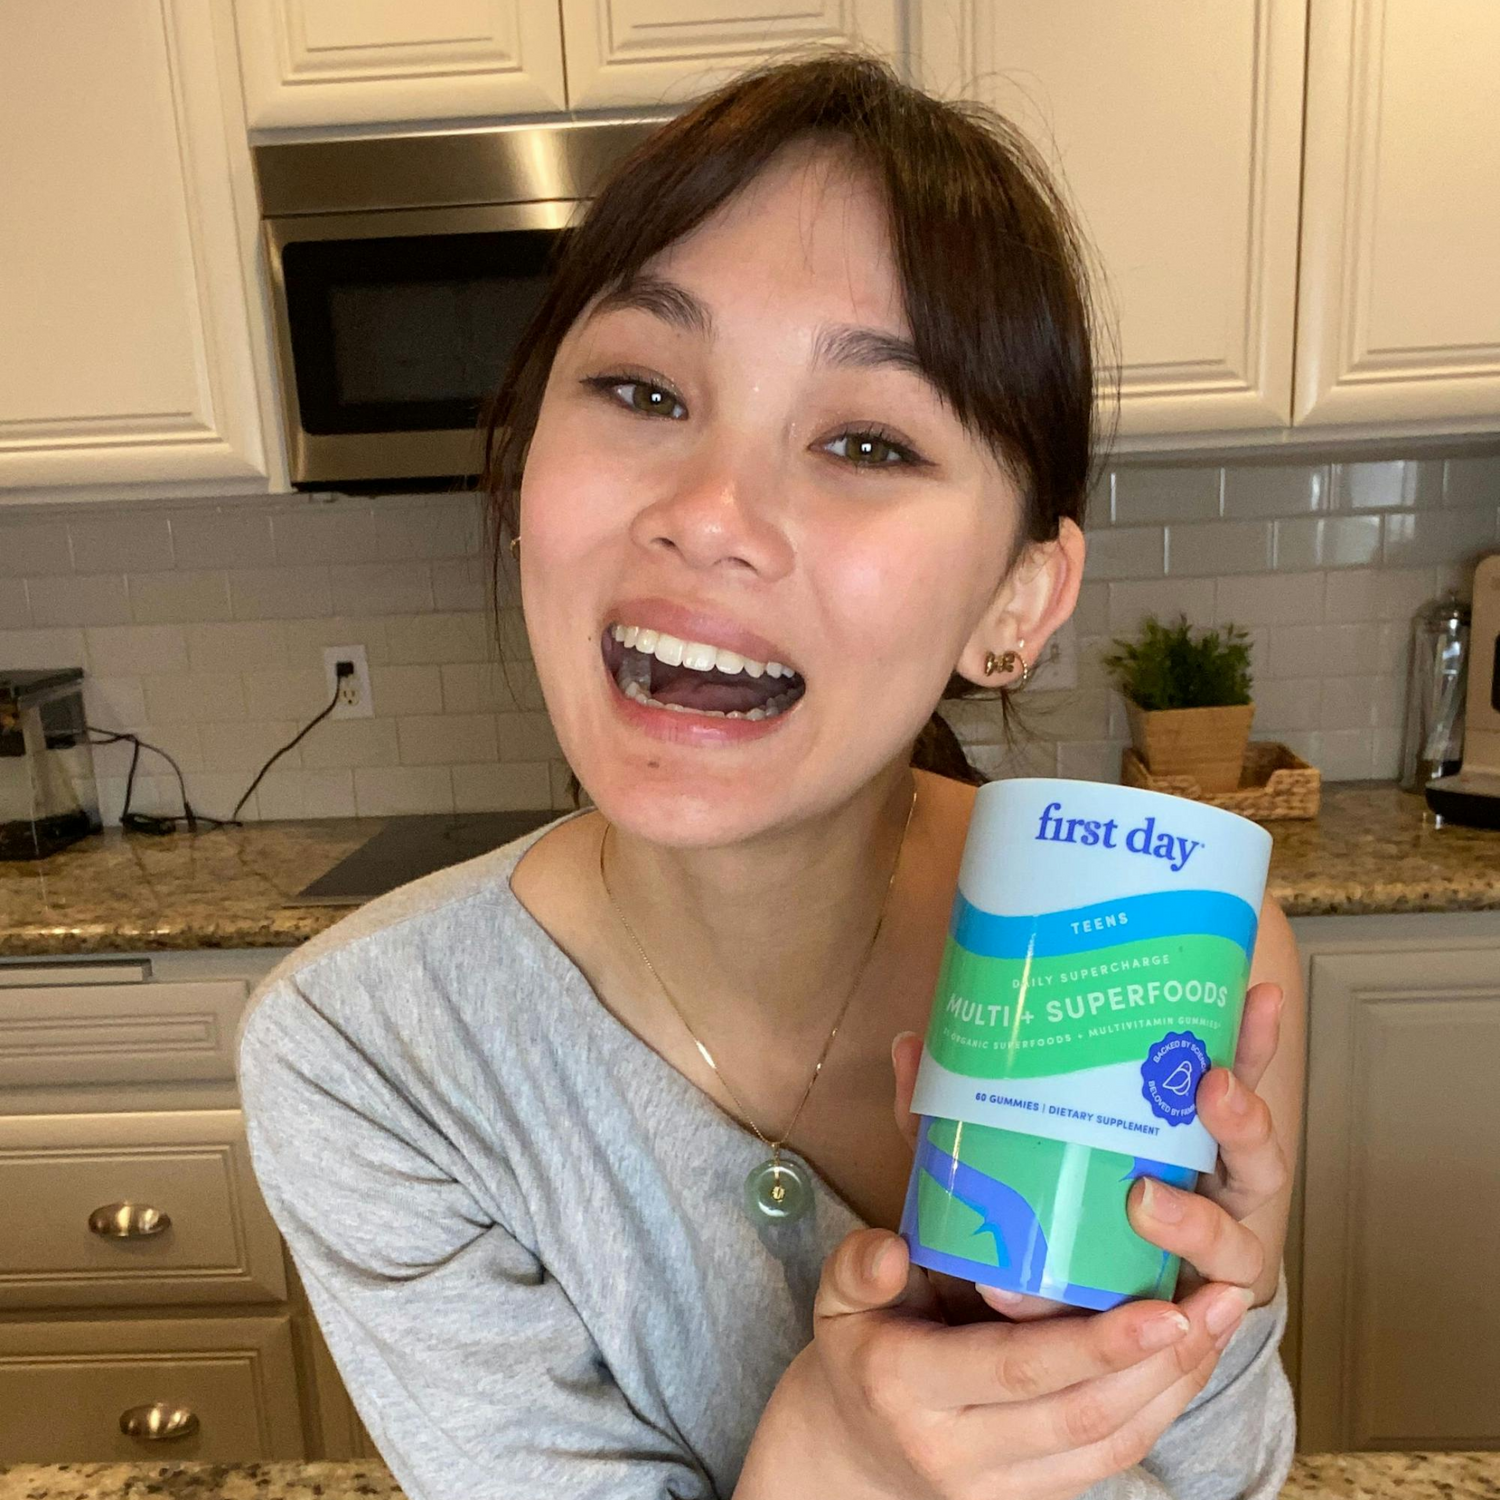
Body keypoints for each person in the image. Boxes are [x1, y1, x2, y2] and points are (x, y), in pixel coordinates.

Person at [237, 49, 1304, 1500]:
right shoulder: (375, 1058)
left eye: (866, 438)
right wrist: (832, 1457)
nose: (711, 514)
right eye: (639, 388)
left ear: (1019, 603)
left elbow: (1215, 1486)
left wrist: (1197, 1326)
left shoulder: (1155, 950)